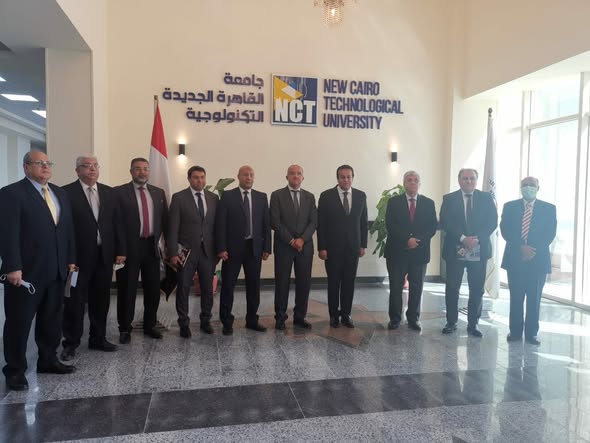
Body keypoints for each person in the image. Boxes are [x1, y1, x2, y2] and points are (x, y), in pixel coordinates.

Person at [0, 151, 77, 391]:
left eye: (47, 163)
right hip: (25, 274)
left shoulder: (59, 193)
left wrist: (70, 260)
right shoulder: (11, 194)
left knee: (51, 319)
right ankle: (15, 370)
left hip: (56, 270)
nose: (45, 167)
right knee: (19, 322)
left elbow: (66, 229)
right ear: (26, 167)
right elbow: (7, 233)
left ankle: (48, 360)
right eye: (39, 163)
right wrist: (12, 266)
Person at [61, 155, 126, 360]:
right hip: (78, 257)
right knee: (75, 300)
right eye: (87, 166)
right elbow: (63, 228)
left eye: (95, 166)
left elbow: (117, 223)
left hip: (104, 255)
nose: (92, 169)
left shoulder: (109, 193)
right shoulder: (65, 193)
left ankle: (98, 338)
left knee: (101, 298)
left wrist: (121, 250)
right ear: (77, 170)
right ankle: (71, 343)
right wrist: (67, 256)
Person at [115, 158, 168, 344]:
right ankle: (124, 328)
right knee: (127, 289)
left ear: (149, 171)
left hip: (152, 247)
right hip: (128, 248)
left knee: (153, 289)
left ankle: (150, 325)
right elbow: (116, 224)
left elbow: (165, 221)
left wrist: (168, 247)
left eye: (145, 169)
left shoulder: (158, 193)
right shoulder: (119, 193)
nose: (142, 172)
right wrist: (119, 250)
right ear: (131, 171)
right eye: (138, 169)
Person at [439, 168, 497, 337]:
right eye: (465, 178)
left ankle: (473, 324)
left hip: (479, 249)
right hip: (455, 249)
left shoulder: (486, 198)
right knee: (452, 288)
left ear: (476, 180)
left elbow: (492, 221)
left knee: (477, 288)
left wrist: (477, 239)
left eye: (472, 178)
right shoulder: (449, 199)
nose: (469, 181)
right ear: (459, 180)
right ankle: (451, 322)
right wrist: (463, 238)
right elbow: (445, 221)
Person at [500, 176, 556, 345]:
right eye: (525, 185)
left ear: (538, 187)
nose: (528, 187)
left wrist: (531, 249)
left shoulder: (549, 208)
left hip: (538, 260)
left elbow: (550, 233)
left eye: (532, 185)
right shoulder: (510, 207)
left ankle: (532, 333)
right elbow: (505, 230)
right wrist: (520, 247)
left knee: (534, 298)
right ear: (520, 188)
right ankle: (515, 331)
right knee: (516, 297)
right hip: (515, 258)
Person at [215, 165, 271, 335]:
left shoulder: (261, 197)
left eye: (251, 175)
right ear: (238, 177)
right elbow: (220, 224)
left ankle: (252, 320)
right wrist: (221, 248)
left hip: (254, 248)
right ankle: (226, 321)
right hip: (232, 250)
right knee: (228, 286)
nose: (248, 177)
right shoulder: (227, 196)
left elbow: (266, 225)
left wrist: (267, 248)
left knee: (254, 286)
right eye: (245, 175)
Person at [167, 166, 219, 337]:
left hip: (208, 252)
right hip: (186, 252)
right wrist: (172, 253)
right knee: (183, 288)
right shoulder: (179, 198)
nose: (200, 180)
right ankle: (184, 323)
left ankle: (206, 320)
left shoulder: (213, 198)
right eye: (196, 177)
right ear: (189, 179)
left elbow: (217, 226)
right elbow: (173, 228)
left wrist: (219, 250)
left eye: (202, 177)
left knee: (207, 289)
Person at [384, 170, 437, 331]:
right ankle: (395, 318)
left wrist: (417, 241)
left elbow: (432, 227)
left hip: (419, 253)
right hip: (397, 252)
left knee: (416, 287)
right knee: (395, 287)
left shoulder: (428, 203)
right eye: (409, 180)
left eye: (415, 180)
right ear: (404, 183)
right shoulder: (394, 202)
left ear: (419, 184)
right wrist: (407, 239)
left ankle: (413, 318)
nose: (412, 182)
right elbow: (390, 225)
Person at [317, 164, 368, 328]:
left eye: (348, 177)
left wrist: (363, 245)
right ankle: (333, 315)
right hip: (332, 249)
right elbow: (321, 224)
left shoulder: (360, 196)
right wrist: (322, 247)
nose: (345, 180)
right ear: (337, 178)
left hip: (353, 248)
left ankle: (346, 314)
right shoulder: (326, 196)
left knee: (349, 282)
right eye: (342, 177)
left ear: (353, 178)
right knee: (333, 283)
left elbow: (363, 223)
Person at [270, 164, 317, 330]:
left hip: (305, 247)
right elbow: (275, 222)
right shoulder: (276, 195)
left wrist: (302, 240)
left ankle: (300, 317)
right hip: (284, 247)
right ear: (287, 177)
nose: (295, 176)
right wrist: (292, 241)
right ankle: (280, 317)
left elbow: (313, 222)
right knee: (282, 283)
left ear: (303, 177)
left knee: (304, 283)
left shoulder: (310, 197)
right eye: (292, 173)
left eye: (298, 174)